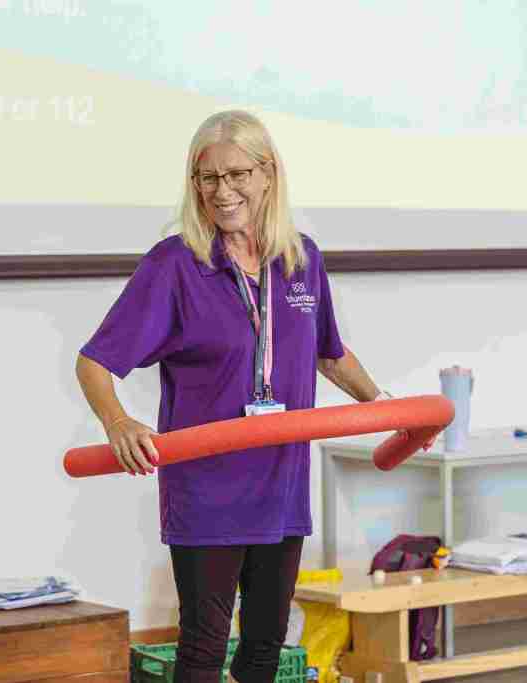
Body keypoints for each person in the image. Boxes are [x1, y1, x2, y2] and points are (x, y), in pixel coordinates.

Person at [75, 110, 410, 683]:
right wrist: (118, 422)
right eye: (208, 178)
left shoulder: (301, 258)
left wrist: (383, 404)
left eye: (237, 175)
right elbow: (95, 362)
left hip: (281, 483)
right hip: (208, 490)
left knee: (264, 649)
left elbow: (329, 353)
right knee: (204, 651)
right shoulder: (174, 265)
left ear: (268, 173)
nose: (222, 191)